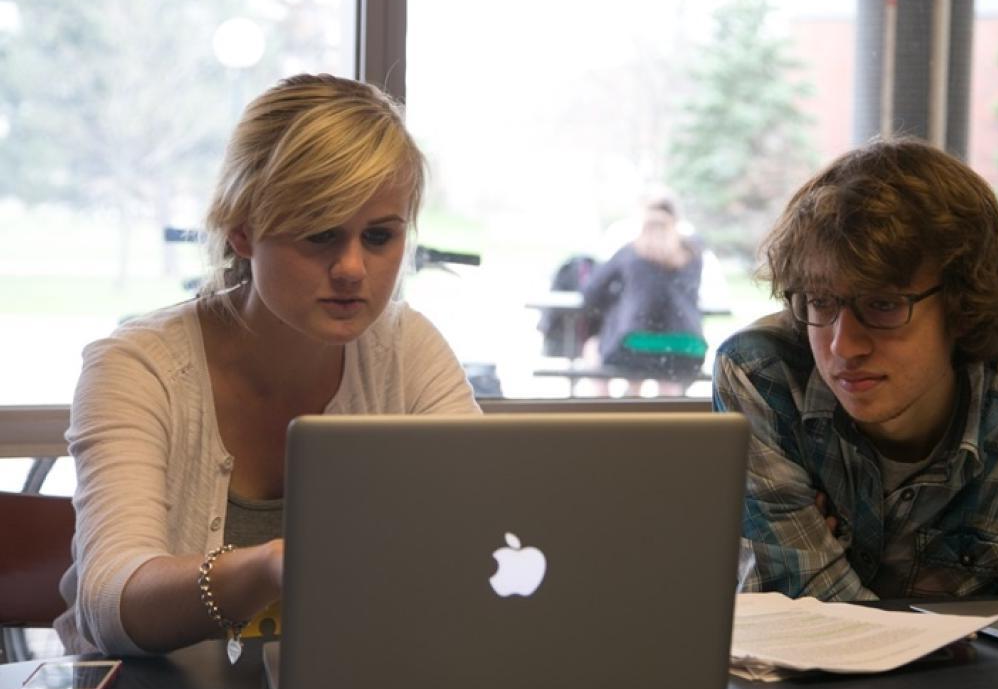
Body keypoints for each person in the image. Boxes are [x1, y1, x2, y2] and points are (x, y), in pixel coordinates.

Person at [55, 74, 480, 657]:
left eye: (379, 236)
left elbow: (480, 528)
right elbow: (109, 604)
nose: (353, 268)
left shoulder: (407, 350)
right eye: (320, 235)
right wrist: (270, 568)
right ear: (242, 232)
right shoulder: (137, 367)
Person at [713, 138, 998, 602]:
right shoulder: (764, 377)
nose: (843, 345)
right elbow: (801, 622)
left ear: (962, 307)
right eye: (820, 301)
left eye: (883, 305)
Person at [581, 195, 709, 397]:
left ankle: (610, 415)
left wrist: (619, 296)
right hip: (688, 345)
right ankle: (670, 418)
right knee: (670, 382)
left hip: (633, 343)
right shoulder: (693, 253)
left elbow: (592, 292)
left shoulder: (630, 252)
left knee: (596, 349)